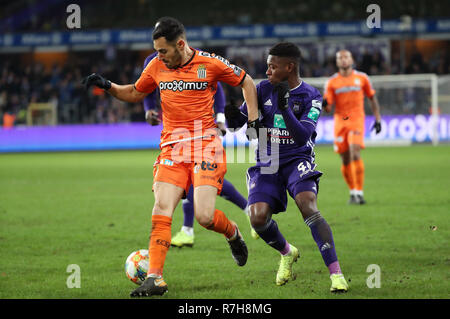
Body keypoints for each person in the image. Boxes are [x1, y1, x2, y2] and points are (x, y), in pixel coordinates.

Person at [82, 16, 260, 297]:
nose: (159, 56)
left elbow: (247, 82)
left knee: (204, 216)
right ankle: (155, 278)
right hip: (172, 149)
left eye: (163, 50)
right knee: (161, 209)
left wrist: (253, 122)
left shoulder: (209, 63)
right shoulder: (156, 65)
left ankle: (232, 233)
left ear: (180, 44)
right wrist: (108, 86)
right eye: (157, 50)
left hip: (205, 146)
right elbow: (135, 93)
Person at [225, 42, 348, 292]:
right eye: (267, 66)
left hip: (297, 159)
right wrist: (231, 116)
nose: (267, 70)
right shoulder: (261, 89)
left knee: (307, 204)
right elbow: (239, 126)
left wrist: (284, 109)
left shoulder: (311, 95)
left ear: (289, 67)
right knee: (257, 218)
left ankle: (336, 275)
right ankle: (287, 252)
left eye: (272, 66)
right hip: (267, 161)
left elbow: (303, 136)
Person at [141, 52, 259, 245]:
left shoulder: (198, 63)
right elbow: (145, 90)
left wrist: (220, 118)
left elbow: (218, 87)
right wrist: (149, 110)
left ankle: (190, 229)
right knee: (190, 182)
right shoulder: (153, 62)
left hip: (202, 130)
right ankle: (190, 230)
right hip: (176, 131)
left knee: (197, 180)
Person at [323, 50, 382, 205]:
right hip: (340, 121)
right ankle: (352, 192)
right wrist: (324, 104)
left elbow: (372, 98)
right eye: (340, 58)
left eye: (346, 57)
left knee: (355, 151)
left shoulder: (362, 78)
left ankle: (359, 192)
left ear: (352, 59)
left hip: (356, 119)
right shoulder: (331, 82)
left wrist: (378, 119)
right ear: (336, 62)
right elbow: (328, 107)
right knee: (345, 158)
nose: (343, 60)